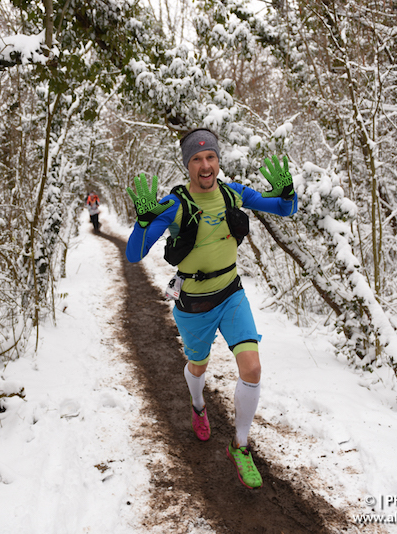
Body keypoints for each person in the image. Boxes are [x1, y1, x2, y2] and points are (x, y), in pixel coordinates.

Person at [124, 127, 298, 489]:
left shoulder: (234, 194)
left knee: (252, 367)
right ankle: (198, 404)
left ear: (219, 160)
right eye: (197, 159)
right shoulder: (174, 206)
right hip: (194, 304)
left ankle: (241, 446)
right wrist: (143, 223)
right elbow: (134, 253)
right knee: (197, 365)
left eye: (211, 157)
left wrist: (288, 192)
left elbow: (285, 208)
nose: (206, 166)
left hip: (232, 294)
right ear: (187, 165)